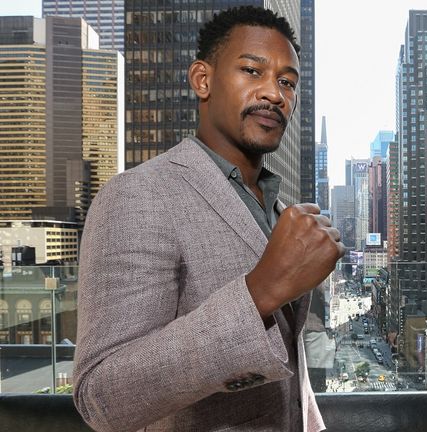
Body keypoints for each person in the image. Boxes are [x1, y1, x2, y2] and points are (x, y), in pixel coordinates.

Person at [73, 6, 344, 431]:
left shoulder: (278, 208)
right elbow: (104, 398)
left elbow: (292, 380)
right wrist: (259, 292)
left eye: (287, 82)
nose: (274, 93)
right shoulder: (137, 196)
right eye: (252, 71)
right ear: (203, 80)